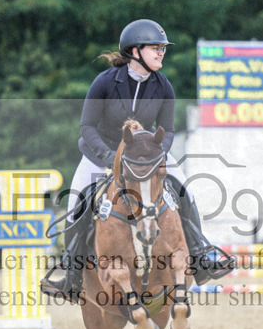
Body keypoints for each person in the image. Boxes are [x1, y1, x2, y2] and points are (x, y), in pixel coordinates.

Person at [41, 18, 233, 303]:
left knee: (186, 192)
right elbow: (87, 127)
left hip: (148, 158)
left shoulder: (163, 86)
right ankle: (71, 275)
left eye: (162, 49)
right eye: (155, 48)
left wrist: (158, 154)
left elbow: (168, 130)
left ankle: (202, 254)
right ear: (134, 51)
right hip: (100, 155)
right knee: (76, 204)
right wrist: (109, 157)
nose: (161, 53)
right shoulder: (105, 82)